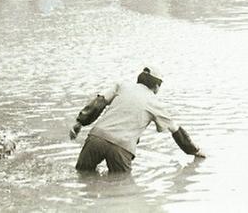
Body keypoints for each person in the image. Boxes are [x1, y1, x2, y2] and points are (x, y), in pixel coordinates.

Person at [69, 66, 205, 173]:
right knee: (121, 187)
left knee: (82, 174)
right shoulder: (156, 104)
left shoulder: (121, 86)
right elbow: (176, 131)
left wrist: (80, 122)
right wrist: (195, 151)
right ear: (157, 87)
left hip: (97, 139)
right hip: (122, 148)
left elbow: (99, 102)